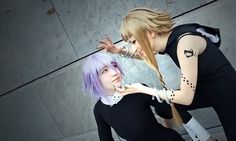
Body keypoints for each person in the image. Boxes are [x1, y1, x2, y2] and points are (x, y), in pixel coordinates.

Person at [98, 7, 236, 141]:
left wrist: (143, 89)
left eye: (134, 41)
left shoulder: (185, 43)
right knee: (168, 105)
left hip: (229, 96)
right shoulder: (169, 42)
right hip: (208, 93)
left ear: (150, 31)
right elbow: (144, 55)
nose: (134, 48)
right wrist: (119, 51)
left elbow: (186, 97)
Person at [82, 53, 185, 141]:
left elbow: (168, 111)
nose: (114, 72)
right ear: (93, 81)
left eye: (114, 65)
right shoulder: (99, 110)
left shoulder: (138, 90)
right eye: (104, 70)